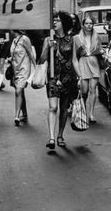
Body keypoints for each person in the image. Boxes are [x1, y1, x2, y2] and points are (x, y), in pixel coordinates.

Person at [40, 11, 74, 149]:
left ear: (64, 23)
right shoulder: (48, 39)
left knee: (64, 109)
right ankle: (52, 138)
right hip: (53, 77)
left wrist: (79, 77)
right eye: (53, 20)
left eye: (58, 20)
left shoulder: (72, 40)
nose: (54, 22)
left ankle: (60, 135)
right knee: (53, 107)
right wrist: (48, 47)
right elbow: (42, 59)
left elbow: (74, 60)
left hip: (67, 78)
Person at [72, 16, 103, 123]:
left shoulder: (97, 36)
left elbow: (100, 49)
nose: (89, 25)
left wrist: (100, 51)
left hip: (94, 63)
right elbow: (75, 56)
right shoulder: (77, 38)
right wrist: (77, 72)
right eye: (87, 23)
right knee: (84, 91)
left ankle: (91, 114)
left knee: (93, 88)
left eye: (91, 23)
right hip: (83, 63)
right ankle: (83, 110)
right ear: (83, 25)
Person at [10, 30, 36, 126]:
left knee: (18, 91)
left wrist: (35, 67)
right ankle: (24, 114)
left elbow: (30, 53)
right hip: (15, 69)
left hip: (24, 68)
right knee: (21, 92)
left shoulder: (25, 39)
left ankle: (16, 116)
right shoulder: (14, 40)